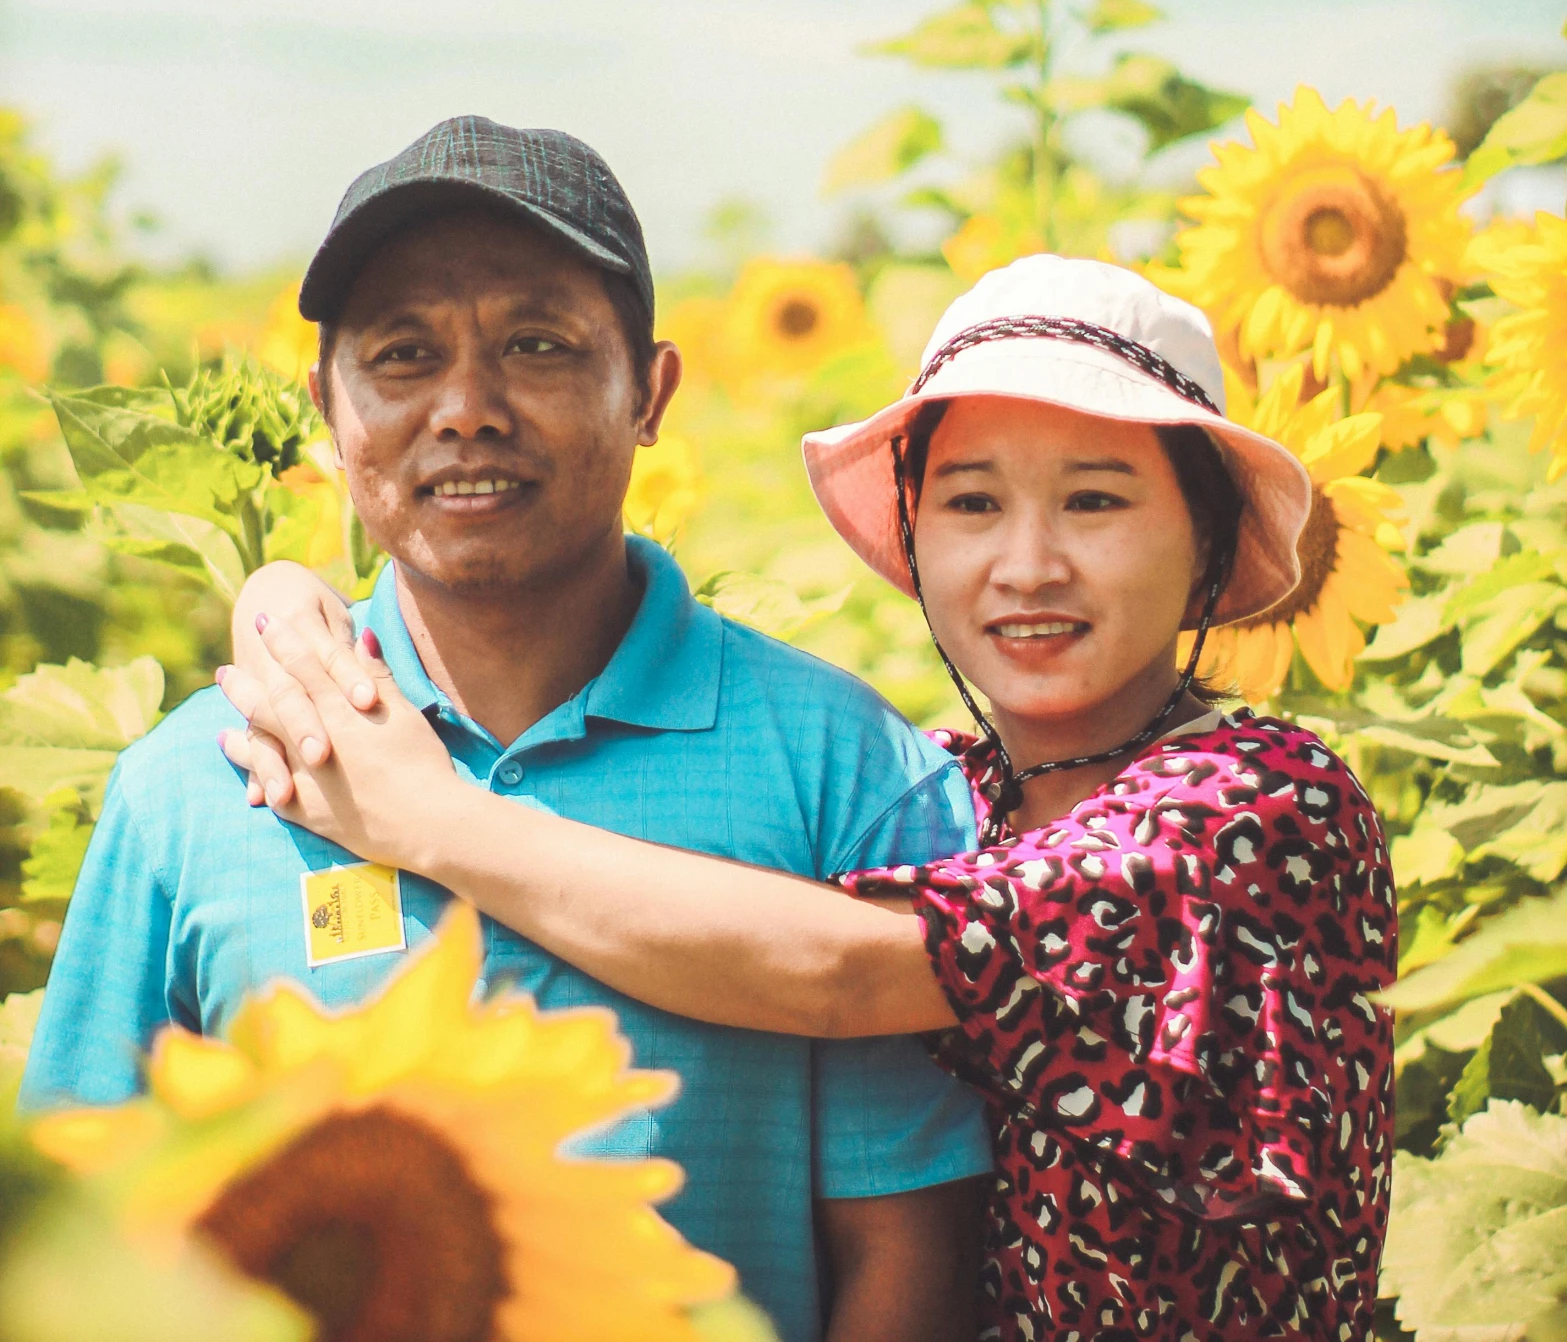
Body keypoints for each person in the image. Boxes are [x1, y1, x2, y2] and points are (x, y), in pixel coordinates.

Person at [219, 252, 1398, 1342]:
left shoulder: (1259, 808)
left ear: (1203, 539)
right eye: (973, 503)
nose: (1026, 563)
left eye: (1094, 502)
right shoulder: (944, 783)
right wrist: (286, 603)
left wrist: (429, 818)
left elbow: (839, 968)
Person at [20, 116, 995, 1342]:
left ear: (650, 391)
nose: (466, 408)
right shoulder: (195, 785)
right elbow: (78, 1243)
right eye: (402, 355)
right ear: (328, 408)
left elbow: (903, 1253)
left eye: (537, 344)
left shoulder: (843, 769)